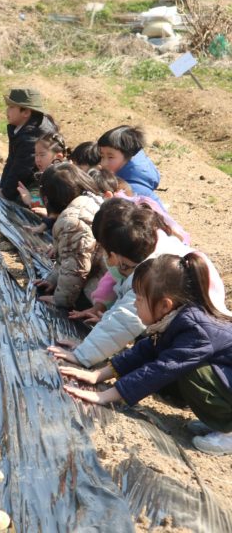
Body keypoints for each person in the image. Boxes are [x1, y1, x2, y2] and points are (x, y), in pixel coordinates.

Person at [60, 252, 232, 455]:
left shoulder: (196, 330)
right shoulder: (176, 318)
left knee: (193, 374)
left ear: (165, 305)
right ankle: (220, 421)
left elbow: (161, 370)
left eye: (139, 299)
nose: (135, 304)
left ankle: (228, 432)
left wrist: (105, 396)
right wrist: (97, 375)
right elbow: (145, 350)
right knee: (177, 365)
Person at [49, 198, 229, 367]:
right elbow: (123, 304)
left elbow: (124, 319)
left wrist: (82, 354)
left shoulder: (152, 275)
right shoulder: (150, 246)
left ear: (114, 255)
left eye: (103, 248)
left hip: (200, 341)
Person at [33, 163, 104, 309]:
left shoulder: (72, 222)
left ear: (47, 199)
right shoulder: (90, 200)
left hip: (102, 290)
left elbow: (75, 268)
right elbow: (68, 256)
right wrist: (53, 279)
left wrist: (60, 299)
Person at [0, 88, 59, 202]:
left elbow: (21, 169)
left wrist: (5, 193)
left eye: (11, 107)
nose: (7, 110)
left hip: (43, 184)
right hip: (38, 178)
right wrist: (2, 188)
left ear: (26, 112)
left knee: (20, 200)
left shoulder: (31, 137)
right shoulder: (24, 127)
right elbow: (12, 160)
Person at [17, 131, 69, 234]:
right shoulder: (47, 176)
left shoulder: (64, 179)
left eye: (42, 155)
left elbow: (63, 210)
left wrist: (31, 201)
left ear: (58, 157)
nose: (37, 160)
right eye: (36, 155)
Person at [97, 125, 162, 207]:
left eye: (110, 157)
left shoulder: (130, 191)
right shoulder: (134, 171)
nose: (103, 163)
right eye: (102, 156)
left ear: (128, 155)